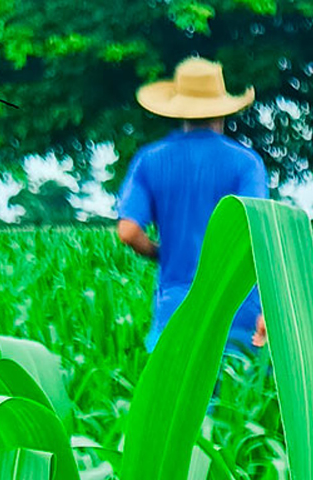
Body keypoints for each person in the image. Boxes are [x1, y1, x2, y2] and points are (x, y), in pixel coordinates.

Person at [116, 56, 267, 352]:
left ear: (178, 108)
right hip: (238, 310)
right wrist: (268, 308)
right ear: (223, 109)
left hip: (175, 311)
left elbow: (128, 232)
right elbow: (258, 237)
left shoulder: (149, 160)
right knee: (237, 398)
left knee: (175, 396)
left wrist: (161, 252)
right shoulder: (247, 164)